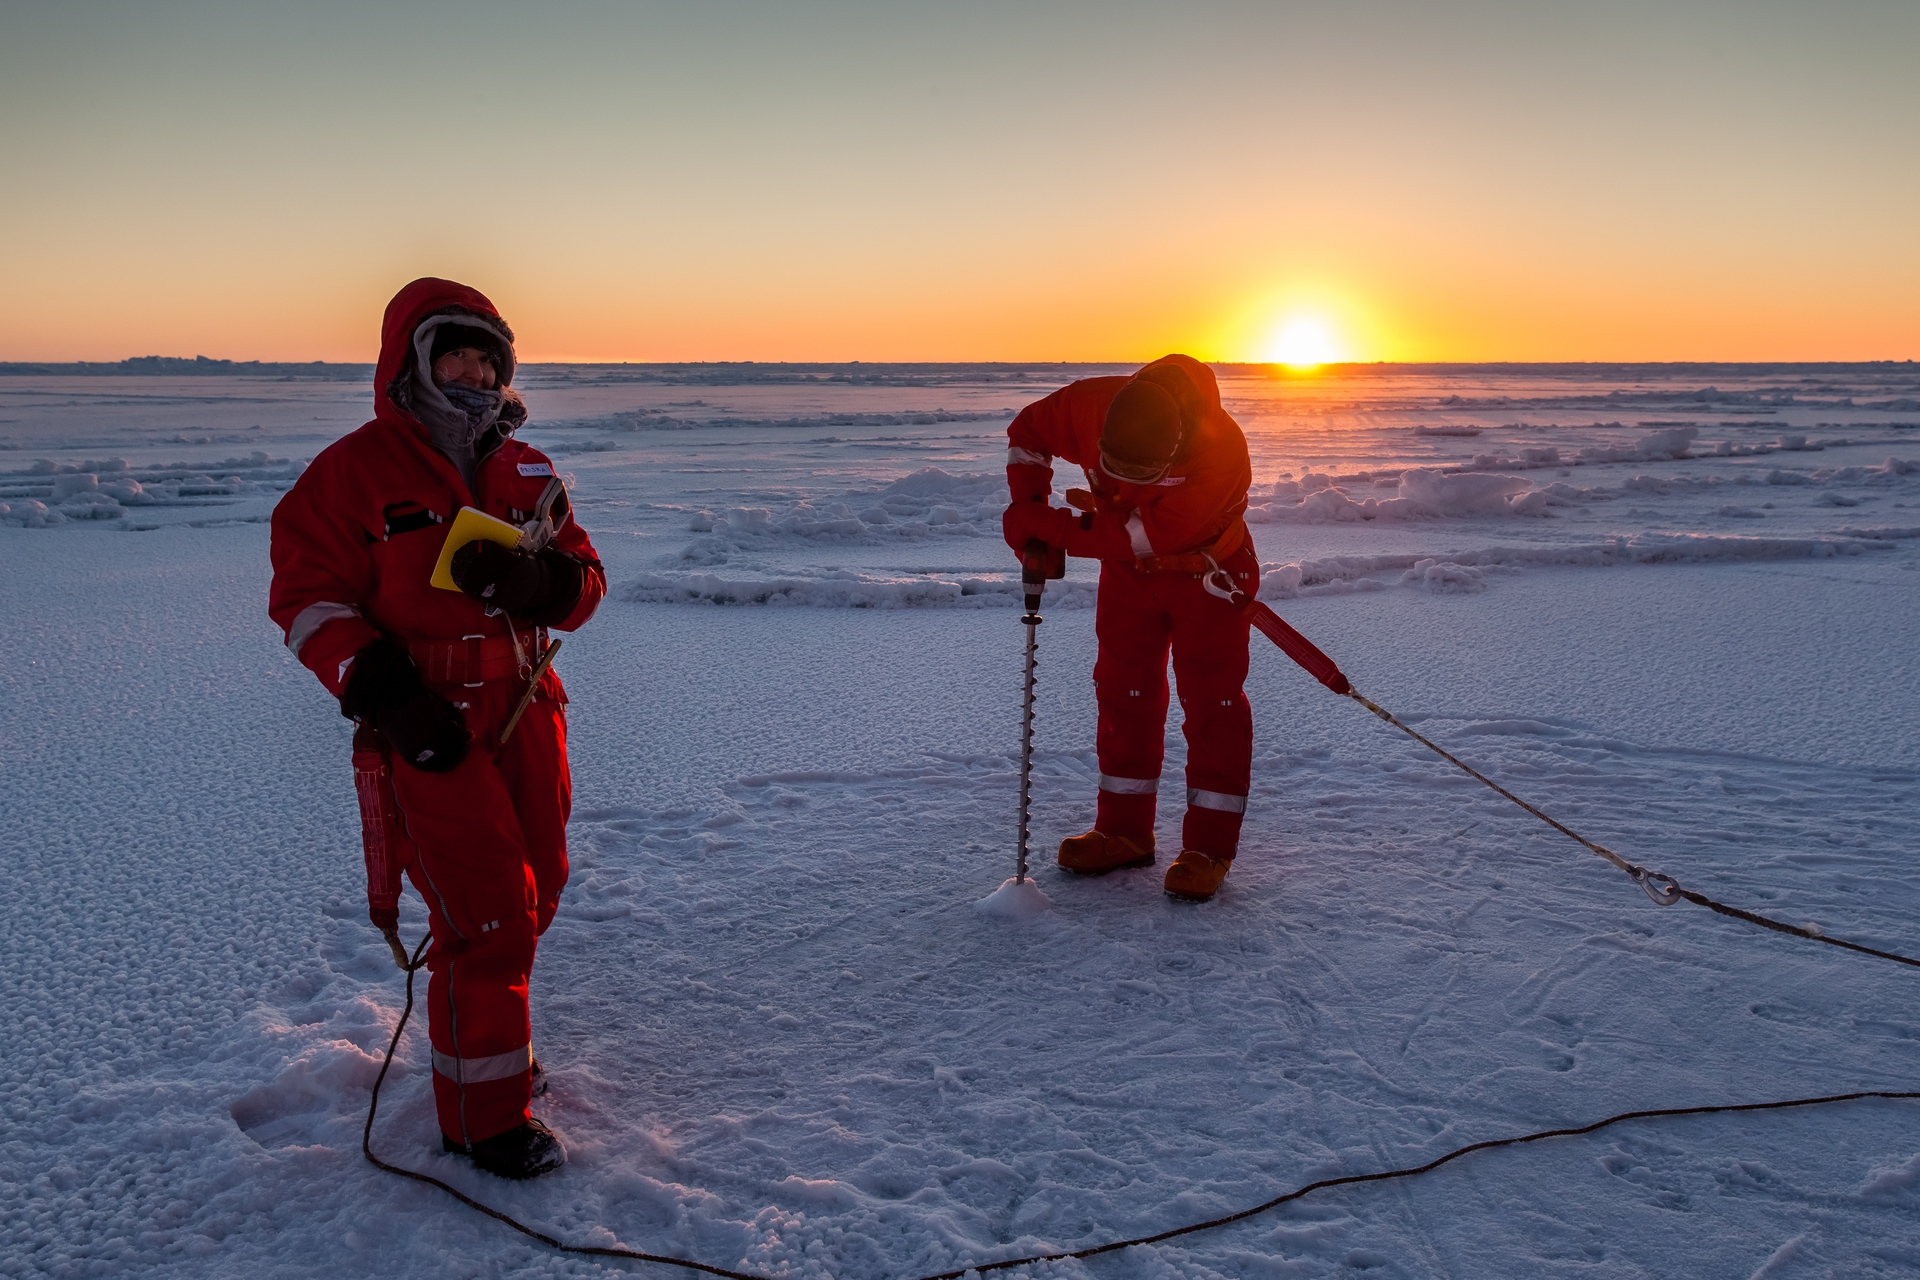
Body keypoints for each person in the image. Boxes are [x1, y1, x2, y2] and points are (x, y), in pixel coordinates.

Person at [269, 278, 606, 1179]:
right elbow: (306, 599)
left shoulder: (530, 470)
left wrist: (543, 586)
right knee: (487, 909)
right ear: (411, 363)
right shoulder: (350, 473)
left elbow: (587, 583)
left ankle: (489, 1043)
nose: (473, 371)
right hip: (428, 719)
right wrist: (381, 691)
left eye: (487, 358)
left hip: (529, 709)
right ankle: (483, 1119)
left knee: (539, 887)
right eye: (453, 352)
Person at [1001, 355, 1255, 902]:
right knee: (1124, 692)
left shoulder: (1222, 451)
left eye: (1136, 476)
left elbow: (1138, 535)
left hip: (1207, 576)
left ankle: (1208, 847)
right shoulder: (1089, 405)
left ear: (1177, 444)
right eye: (1108, 468)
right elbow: (1027, 433)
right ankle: (1124, 831)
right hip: (1130, 579)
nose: (1116, 482)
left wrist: (1049, 526)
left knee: (1213, 705)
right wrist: (1029, 505)